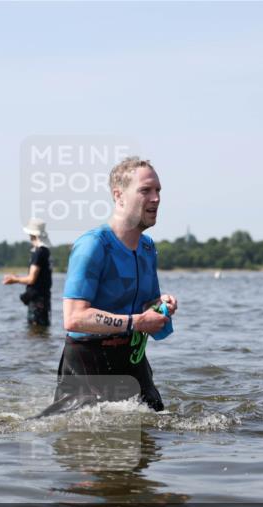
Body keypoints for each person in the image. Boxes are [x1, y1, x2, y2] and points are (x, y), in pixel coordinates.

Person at [39, 157, 178, 417]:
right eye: (145, 190)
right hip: (88, 362)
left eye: (158, 190)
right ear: (119, 195)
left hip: (134, 361)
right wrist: (137, 321)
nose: (156, 198)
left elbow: (145, 305)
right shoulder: (93, 246)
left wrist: (160, 306)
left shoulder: (148, 248)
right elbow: (74, 318)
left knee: (153, 437)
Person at [3, 218, 53, 326]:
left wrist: (14, 280)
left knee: (35, 331)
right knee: (42, 331)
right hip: (45, 298)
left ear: (32, 235)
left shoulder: (38, 253)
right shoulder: (46, 252)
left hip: (37, 300)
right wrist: (17, 277)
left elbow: (31, 278)